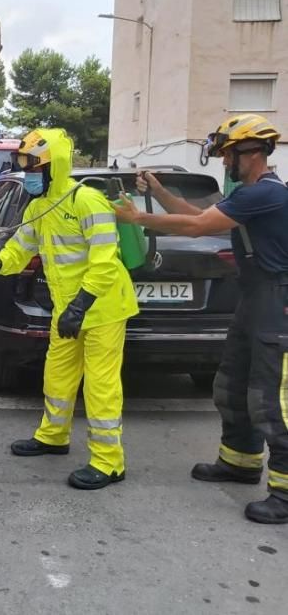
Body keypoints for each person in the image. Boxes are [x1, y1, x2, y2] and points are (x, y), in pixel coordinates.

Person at [114, 114, 288, 524]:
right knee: (232, 384)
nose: (224, 160)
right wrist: (158, 190)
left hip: (276, 303)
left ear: (251, 153)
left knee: (272, 399)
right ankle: (240, 461)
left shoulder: (267, 193)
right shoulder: (248, 195)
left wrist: (140, 219)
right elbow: (195, 211)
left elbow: (195, 227)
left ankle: (284, 493)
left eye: (228, 153)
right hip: (253, 300)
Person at [0, 128, 139, 490]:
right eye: (25, 167)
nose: (28, 175)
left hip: (103, 308)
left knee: (101, 386)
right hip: (68, 308)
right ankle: (53, 437)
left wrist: (81, 305)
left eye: (34, 168)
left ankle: (109, 462)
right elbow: (19, 249)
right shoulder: (40, 207)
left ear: (54, 166)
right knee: (57, 376)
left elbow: (105, 261)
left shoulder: (87, 202)